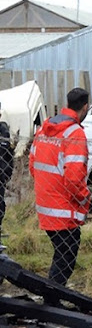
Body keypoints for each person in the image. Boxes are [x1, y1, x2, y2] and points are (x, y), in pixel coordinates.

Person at [29, 88, 90, 290]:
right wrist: (85, 200)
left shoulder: (43, 130)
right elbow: (74, 179)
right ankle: (52, 298)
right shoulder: (75, 134)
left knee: (62, 253)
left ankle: (51, 295)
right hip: (64, 210)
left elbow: (33, 166)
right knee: (67, 255)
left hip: (45, 205)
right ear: (85, 107)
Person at [0, 104, 14, 247]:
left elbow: (9, 155)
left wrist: (6, 173)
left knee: (0, 206)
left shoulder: (3, 132)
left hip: (0, 177)